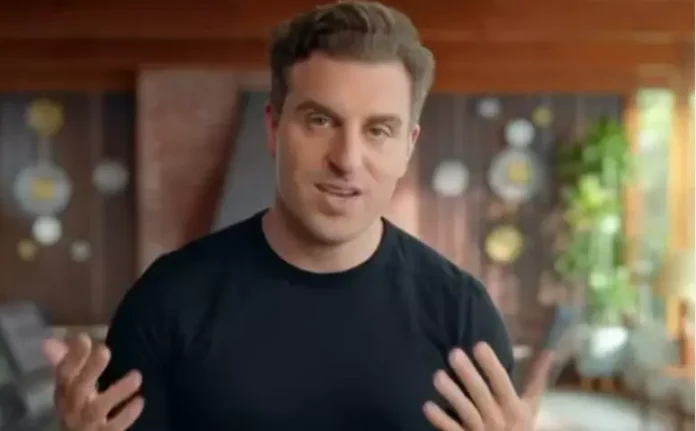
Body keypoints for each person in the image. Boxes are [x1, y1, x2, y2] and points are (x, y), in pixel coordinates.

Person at [42, 1, 553, 430]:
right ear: (274, 128)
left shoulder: (462, 317)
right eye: (320, 120)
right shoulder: (167, 302)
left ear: (407, 147)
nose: (347, 158)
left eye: (378, 130)